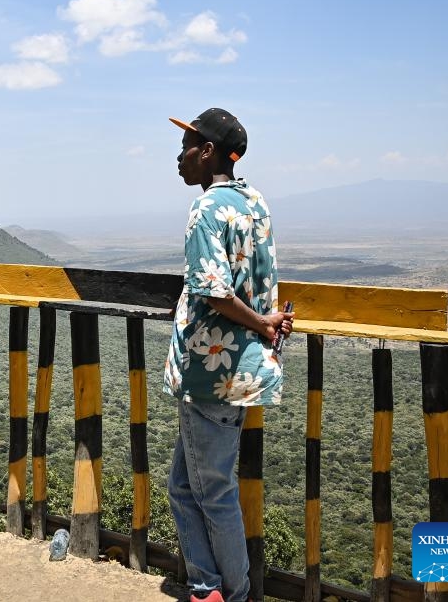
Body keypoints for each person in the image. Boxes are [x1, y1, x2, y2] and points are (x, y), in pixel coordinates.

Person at [163, 108, 295, 602]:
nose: (179, 158)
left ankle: (229, 595)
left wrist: (260, 322)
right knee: (185, 487)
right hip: (241, 371)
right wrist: (263, 324)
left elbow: (214, 291)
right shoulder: (254, 201)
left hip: (210, 372)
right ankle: (207, 587)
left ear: (208, 152)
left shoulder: (206, 210)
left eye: (186, 147)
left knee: (213, 492)